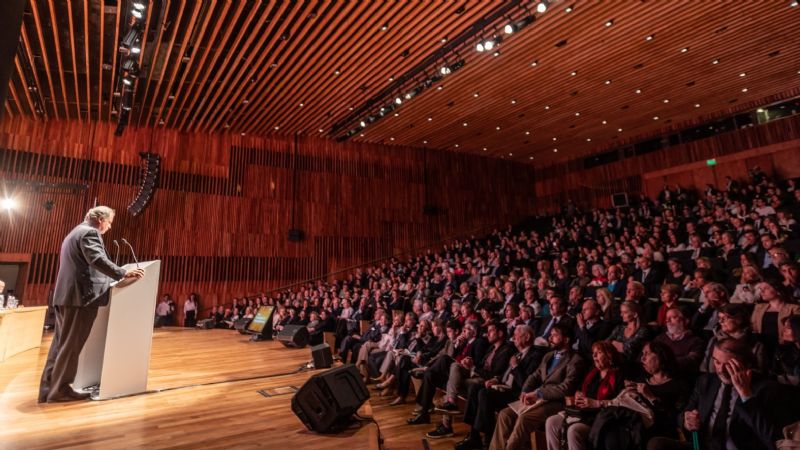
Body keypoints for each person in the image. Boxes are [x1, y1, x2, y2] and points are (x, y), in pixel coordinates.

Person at [38, 206, 145, 403]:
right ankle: (60, 391)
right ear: (100, 220)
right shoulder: (90, 233)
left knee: (61, 346)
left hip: (68, 297)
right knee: (71, 346)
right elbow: (96, 259)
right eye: (109, 223)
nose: (109, 227)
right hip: (81, 299)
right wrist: (122, 272)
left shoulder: (75, 232)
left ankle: (48, 389)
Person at [647, 338, 799, 450]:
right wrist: (687, 421)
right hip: (703, 446)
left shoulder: (769, 389)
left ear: (746, 365)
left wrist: (745, 394)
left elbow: (773, 440)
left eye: (728, 365)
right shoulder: (706, 381)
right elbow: (684, 413)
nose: (720, 370)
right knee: (657, 444)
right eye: (717, 362)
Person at [489, 323, 586, 450]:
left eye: (555, 335)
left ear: (566, 339)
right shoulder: (548, 356)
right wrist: (525, 391)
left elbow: (566, 388)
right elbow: (534, 376)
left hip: (557, 402)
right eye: (550, 334)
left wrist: (538, 393)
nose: (550, 338)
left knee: (524, 418)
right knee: (505, 414)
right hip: (539, 398)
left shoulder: (575, 360)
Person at [544, 341, 625, 450]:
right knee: (551, 422)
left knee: (574, 430)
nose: (594, 356)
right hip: (581, 413)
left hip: (598, 418)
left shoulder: (618, 376)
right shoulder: (593, 372)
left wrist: (596, 403)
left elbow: (619, 402)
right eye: (593, 353)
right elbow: (580, 389)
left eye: (599, 352)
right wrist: (578, 394)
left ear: (609, 355)